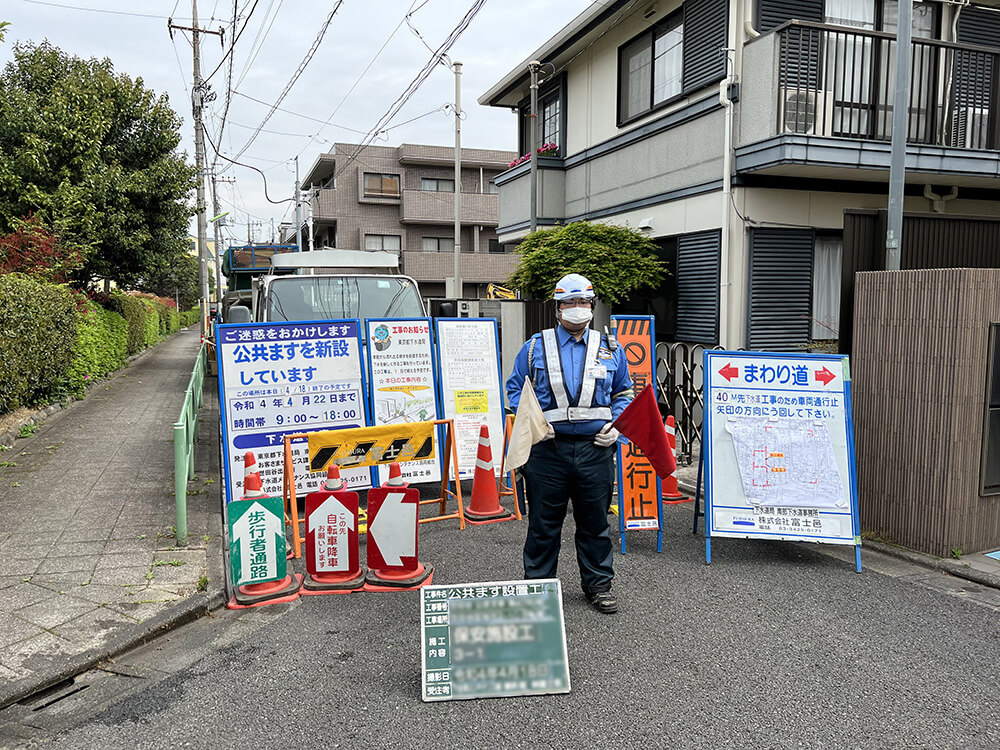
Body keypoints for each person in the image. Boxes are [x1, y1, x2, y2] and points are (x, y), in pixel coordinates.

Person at [505, 273, 634, 614]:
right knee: (544, 525)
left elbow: (624, 392)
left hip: (596, 449)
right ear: (558, 309)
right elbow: (514, 390)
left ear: (592, 307)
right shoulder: (534, 346)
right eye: (569, 303)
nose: (577, 309)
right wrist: (533, 423)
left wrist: (616, 426)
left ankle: (598, 585)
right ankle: (537, 588)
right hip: (548, 451)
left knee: (595, 524)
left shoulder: (611, 348)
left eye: (583, 303)